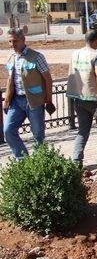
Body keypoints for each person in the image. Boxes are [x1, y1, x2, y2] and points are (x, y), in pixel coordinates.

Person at [3, 28, 53, 160]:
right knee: (8, 131)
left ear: (23, 40)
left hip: (34, 102)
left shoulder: (37, 57)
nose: (12, 45)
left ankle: (38, 162)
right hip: (16, 101)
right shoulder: (11, 57)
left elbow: (48, 79)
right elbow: (10, 80)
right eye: (9, 42)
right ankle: (23, 160)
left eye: (15, 41)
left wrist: (49, 99)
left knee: (38, 135)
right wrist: (7, 100)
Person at [67, 29, 97, 167]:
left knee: (83, 130)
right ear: (96, 40)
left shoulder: (75, 54)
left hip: (79, 98)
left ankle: (76, 160)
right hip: (94, 98)